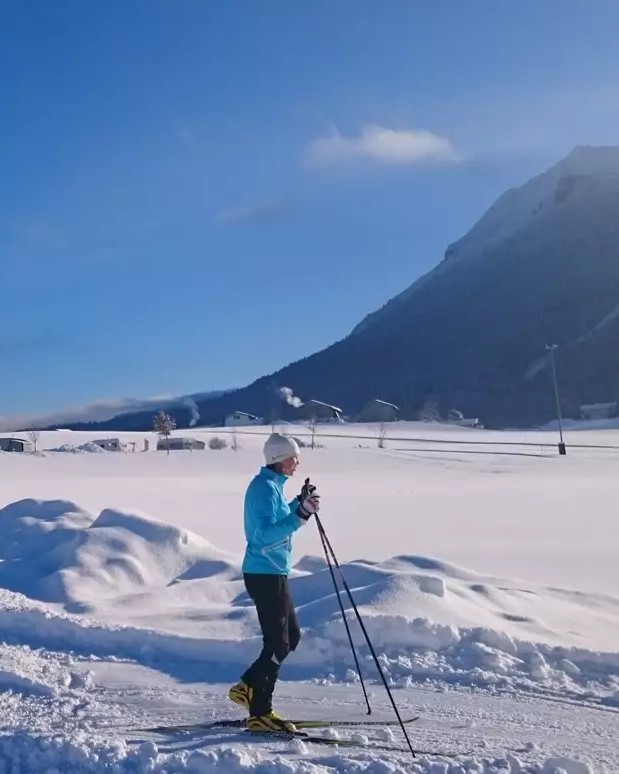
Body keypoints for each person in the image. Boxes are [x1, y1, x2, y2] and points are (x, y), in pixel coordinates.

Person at [228, 433, 321, 732]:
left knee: (290, 637)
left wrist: (298, 503)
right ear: (279, 459)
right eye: (293, 457)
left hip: (273, 572)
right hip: (264, 573)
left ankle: (246, 688)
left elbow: (280, 518)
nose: (297, 462)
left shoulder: (273, 487)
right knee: (278, 641)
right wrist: (302, 515)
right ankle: (260, 712)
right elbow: (265, 534)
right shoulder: (262, 488)